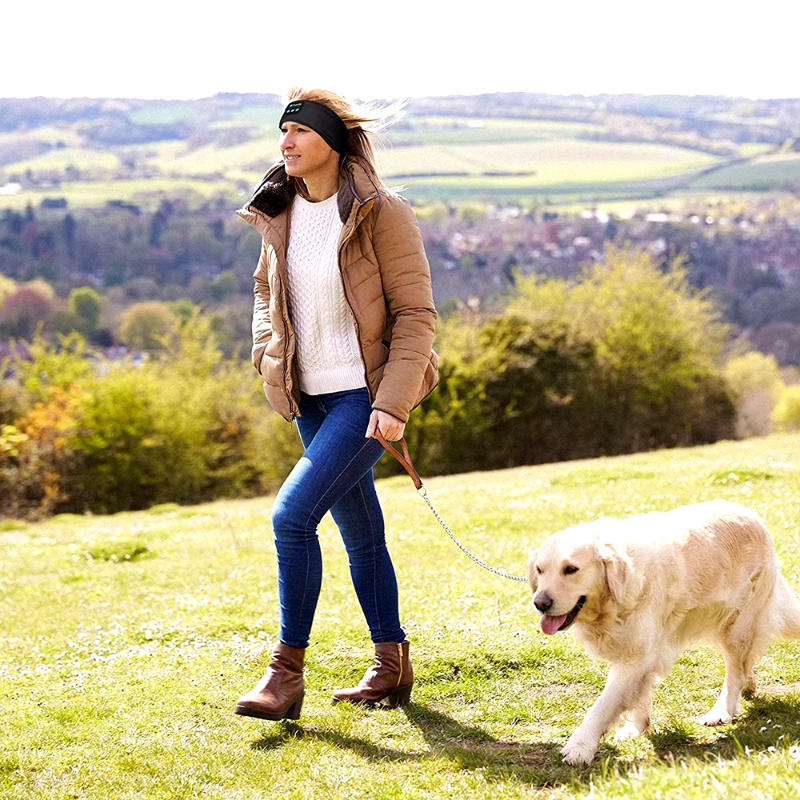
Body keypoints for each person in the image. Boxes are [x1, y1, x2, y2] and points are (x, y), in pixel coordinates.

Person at [233, 88, 439, 721]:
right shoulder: (280, 210)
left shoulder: (382, 213)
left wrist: (395, 404)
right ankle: (392, 661)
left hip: (363, 395)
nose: (285, 142)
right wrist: (269, 353)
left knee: (291, 518)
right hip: (310, 398)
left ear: (332, 141)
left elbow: (415, 316)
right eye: (282, 132)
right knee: (360, 531)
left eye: (298, 131)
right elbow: (267, 294)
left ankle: (284, 674)